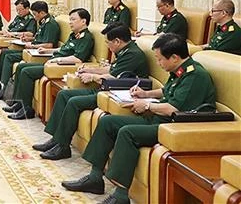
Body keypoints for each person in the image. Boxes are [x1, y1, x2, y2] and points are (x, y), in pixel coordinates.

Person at [62, 33, 216, 204]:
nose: (158, 63)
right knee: (108, 121)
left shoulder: (195, 75)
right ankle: (95, 178)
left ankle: (120, 195)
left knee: (128, 133)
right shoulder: (180, 69)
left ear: (174, 57)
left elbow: (173, 109)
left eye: (159, 59)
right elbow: (168, 90)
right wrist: (146, 94)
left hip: (173, 127)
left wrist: (147, 105)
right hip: (159, 119)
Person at [34, 22, 149, 161]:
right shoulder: (125, 50)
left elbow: (113, 78)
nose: (107, 46)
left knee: (74, 102)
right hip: (106, 89)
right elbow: (112, 70)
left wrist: (93, 77)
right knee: (64, 94)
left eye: (108, 42)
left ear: (118, 41)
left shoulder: (133, 54)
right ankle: (56, 140)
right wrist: (90, 70)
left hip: (114, 94)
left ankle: (63, 146)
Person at [7, 8, 94, 120]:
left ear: (83, 21)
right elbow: (62, 49)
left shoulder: (86, 38)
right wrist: (47, 51)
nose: (70, 22)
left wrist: (58, 60)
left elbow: (78, 58)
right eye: (70, 19)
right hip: (53, 63)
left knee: (27, 71)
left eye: (73, 19)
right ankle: (18, 103)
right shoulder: (74, 35)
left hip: (60, 67)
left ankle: (26, 109)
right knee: (21, 67)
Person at [0, 1, 60, 94]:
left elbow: (49, 45)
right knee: (5, 52)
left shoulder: (50, 24)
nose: (34, 16)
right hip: (32, 49)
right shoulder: (43, 21)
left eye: (35, 14)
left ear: (42, 13)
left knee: (8, 56)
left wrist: (33, 45)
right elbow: (39, 38)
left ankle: (4, 89)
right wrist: (28, 39)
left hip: (38, 53)